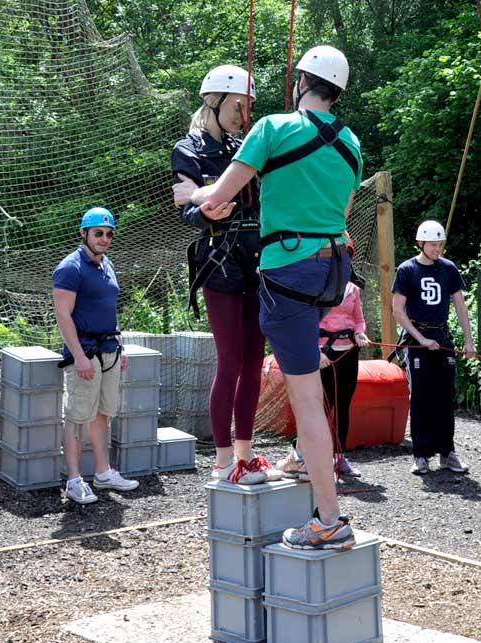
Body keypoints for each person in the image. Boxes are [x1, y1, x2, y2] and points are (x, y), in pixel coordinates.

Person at [189, 46, 362, 551]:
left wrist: (192, 197)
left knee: (305, 396)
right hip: (332, 269)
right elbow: (341, 209)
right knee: (308, 383)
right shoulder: (351, 143)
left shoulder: (273, 128)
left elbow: (219, 197)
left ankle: (328, 518)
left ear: (301, 81)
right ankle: (310, 464)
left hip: (287, 269)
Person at [171, 65, 278, 485]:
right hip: (219, 259)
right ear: (214, 101)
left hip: (256, 257)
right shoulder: (189, 149)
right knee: (231, 359)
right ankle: (220, 463)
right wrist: (204, 208)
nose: (244, 115)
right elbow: (186, 209)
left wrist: (201, 194)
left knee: (254, 360)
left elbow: (198, 192)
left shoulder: (243, 146)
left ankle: (245, 455)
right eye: (238, 106)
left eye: (248, 107)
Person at [52, 207, 140, 505]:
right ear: (84, 234)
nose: (104, 239)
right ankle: (74, 481)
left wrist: (120, 346)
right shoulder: (70, 268)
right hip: (85, 353)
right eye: (98, 233)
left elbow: (109, 310)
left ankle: (103, 473)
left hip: (109, 351)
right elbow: (62, 315)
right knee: (77, 416)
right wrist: (78, 355)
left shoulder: (107, 265)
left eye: (109, 234)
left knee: (103, 413)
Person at [392, 220, 477, 475]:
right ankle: (421, 455)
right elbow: (398, 311)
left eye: (440, 244)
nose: (437, 248)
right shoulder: (407, 270)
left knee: (444, 397)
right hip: (417, 342)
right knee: (421, 398)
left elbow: (460, 306)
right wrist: (419, 339)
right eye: (433, 244)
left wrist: (469, 340)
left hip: (442, 339)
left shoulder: (448, 269)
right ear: (421, 243)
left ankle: (447, 452)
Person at [276, 279, 370, 480]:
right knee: (317, 407)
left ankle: (339, 457)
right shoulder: (315, 285)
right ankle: (304, 455)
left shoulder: (352, 289)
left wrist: (360, 333)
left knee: (342, 406)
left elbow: (358, 318)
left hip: (348, 351)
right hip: (321, 353)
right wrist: (315, 351)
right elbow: (305, 321)